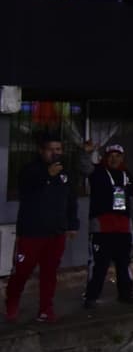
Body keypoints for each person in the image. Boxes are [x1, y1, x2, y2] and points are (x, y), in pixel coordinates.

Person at [5, 135, 80, 323]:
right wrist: (47, 175)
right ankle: (12, 301)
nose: (55, 153)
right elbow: (27, 188)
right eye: (51, 149)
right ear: (41, 151)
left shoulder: (65, 174)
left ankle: (46, 310)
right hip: (32, 232)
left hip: (56, 233)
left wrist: (72, 225)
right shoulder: (30, 170)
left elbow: (71, 201)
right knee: (22, 271)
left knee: (49, 274)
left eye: (58, 149)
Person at [83, 143, 133, 309]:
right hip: (101, 228)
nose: (114, 158)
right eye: (110, 155)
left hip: (122, 228)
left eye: (117, 155)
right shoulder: (97, 172)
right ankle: (91, 297)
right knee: (99, 265)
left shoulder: (126, 175)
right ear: (105, 157)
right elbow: (84, 168)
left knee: (124, 263)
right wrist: (86, 154)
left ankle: (126, 294)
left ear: (122, 158)